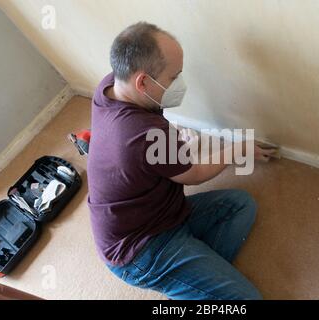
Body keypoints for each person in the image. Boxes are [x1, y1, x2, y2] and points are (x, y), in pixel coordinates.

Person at [87, 22, 274, 300]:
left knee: (240, 205)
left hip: (164, 214)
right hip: (139, 251)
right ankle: (192, 285)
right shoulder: (146, 135)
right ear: (142, 82)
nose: (179, 84)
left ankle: (197, 278)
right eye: (174, 77)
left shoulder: (110, 87)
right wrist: (237, 149)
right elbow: (194, 173)